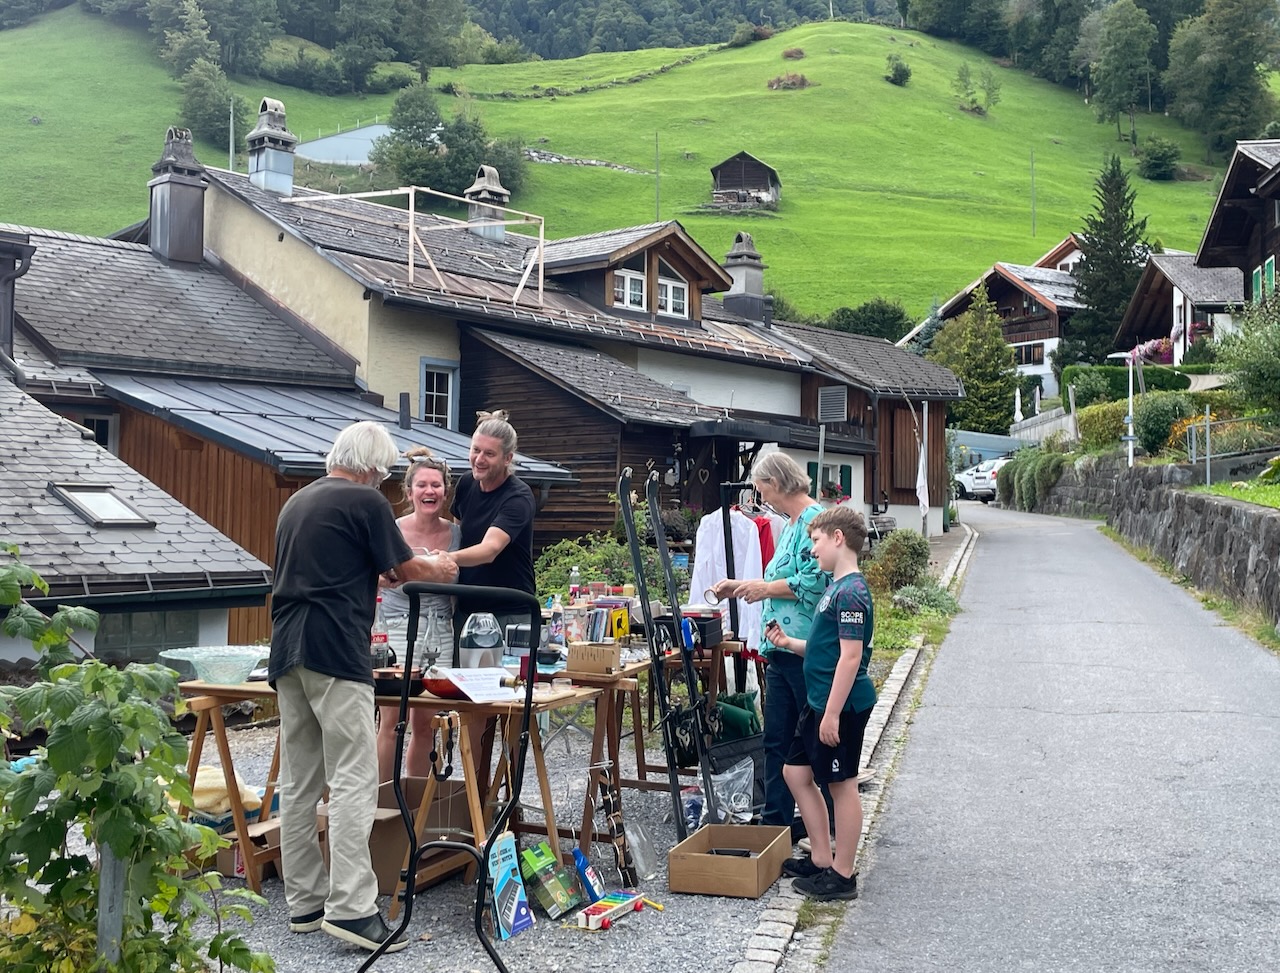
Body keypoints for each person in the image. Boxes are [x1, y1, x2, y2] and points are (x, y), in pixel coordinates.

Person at [268, 421, 457, 953]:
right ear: (374, 466)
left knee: (301, 780)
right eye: (386, 471)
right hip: (335, 648)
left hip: (287, 648)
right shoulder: (365, 502)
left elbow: (336, 571)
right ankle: (352, 909)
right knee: (354, 775)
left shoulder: (298, 503)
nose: (385, 481)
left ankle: (305, 901)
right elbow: (403, 568)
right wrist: (440, 568)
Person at [709, 451, 830, 840]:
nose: (760, 497)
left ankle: (826, 829)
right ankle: (777, 825)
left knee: (809, 740)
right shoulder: (791, 522)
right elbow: (779, 579)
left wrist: (763, 588)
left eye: (762, 488)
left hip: (803, 648)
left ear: (776, 484)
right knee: (776, 738)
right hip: (779, 648)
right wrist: (739, 586)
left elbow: (815, 582)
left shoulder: (815, 521)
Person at [764, 505, 875, 901]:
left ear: (838, 538)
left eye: (816, 541)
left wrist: (830, 714)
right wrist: (789, 644)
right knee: (795, 774)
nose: (812, 551)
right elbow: (827, 649)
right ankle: (822, 858)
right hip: (819, 702)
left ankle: (842, 876)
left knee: (841, 785)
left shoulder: (852, 593)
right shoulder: (835, 588)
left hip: (839, 707)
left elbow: (850, 657)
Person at [376, 447, 462, 781]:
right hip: (396, 628)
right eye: (422, 485)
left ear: (445, 491)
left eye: (436, 485)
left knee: (425, 724)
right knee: (392, 721)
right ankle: (385, 801)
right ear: (409, 492)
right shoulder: (392, 529)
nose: (430, 491)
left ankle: (416, 802)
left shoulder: (456, 535)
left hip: (439, 630)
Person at [450, 409, 538, 641]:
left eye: (489, 454)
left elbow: (489, 550)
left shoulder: (518, 496)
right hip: (467, 610)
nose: (479, 459)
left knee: (507, 679)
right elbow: (457, 536)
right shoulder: (466, 484)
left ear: (507, 458)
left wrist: (447, 558)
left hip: (509, 613)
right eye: (475, 450)